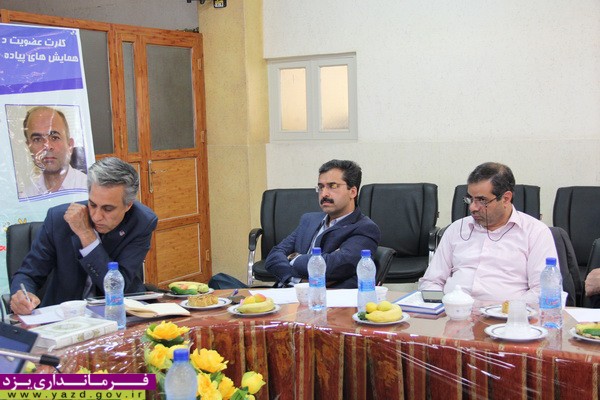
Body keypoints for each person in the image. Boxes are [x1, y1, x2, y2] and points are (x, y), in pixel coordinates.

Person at [10, 157, 158, 315]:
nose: (96, 216)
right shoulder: (59, 219)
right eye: (92, 204)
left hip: (119, 312)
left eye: (108, 209)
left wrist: (87, 235)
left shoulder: (141, 222)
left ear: (128, 205)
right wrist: (21, 296)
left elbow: (115, 288)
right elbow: (28, 274)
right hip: (66, 315)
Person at [419, 162, 558, 303]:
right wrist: (439, 306)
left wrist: (503, 311)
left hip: (507, 314)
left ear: (506, 198)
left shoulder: (536, 233)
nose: (472, 207)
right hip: (453, 311)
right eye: (470, 199)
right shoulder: (456, 229)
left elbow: (543, 291)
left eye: (482, 200)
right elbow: (431, 281)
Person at [265, 159, 380, 288]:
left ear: (352, 192)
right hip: (283, 292)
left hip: (323, 297)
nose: (324, 194)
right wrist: (297, 280)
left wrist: (293, 258)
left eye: (333, 186)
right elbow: (274, 256)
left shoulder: (364, 228)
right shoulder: (309, 220)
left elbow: (332, 266)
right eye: (320, 187)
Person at [21, 106, 87, 197]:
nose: (47, 147)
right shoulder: (26, 197)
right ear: (28, 147)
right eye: (37, 139)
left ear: (70, 145)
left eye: (54, 138)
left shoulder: (90, 189)